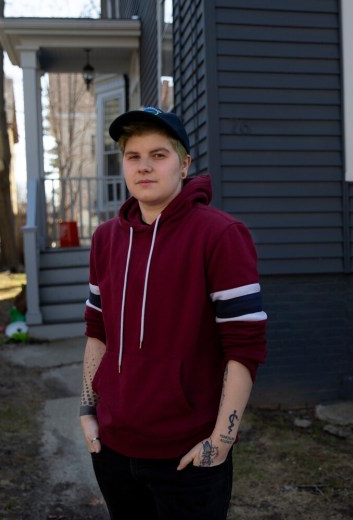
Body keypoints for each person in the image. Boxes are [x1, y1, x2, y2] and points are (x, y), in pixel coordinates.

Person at [79, 106, 268, 519]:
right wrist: (87, 412)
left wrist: (220, 440)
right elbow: (98, 331)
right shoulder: (106, 239)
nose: (144, 167)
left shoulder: (221, 236)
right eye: (133, 156)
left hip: (188, 455)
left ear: (184, 164)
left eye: (158, 155)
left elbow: (244, 347)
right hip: (113, 449)